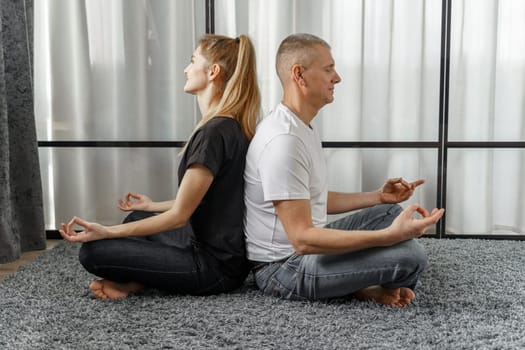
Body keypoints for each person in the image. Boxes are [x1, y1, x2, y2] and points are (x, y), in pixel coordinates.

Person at [243, 33, 444, 307]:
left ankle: (353, 281)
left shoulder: (301, 125)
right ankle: (358, 285)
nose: (337, 78)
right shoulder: (283, 141)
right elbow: (302, 239)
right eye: (328, 69)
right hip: (281, 268)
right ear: (299, 75)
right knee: (411, 258)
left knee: (388, 213)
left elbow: (314, 197)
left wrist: (378, 196)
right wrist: (387, 238)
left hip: (304, 250)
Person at [59, 34, 261, 300]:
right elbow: (206, 202)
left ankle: (137, 282)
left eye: (192, 61)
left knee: (94, 252)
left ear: (213, 72)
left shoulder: (214, 133)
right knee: (136, 218)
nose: (186, 69)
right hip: (227, 257)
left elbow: (179, 216)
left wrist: (106, 231)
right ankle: (139, 279)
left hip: (214, 268)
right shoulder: (230, 125)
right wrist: (151, 207)